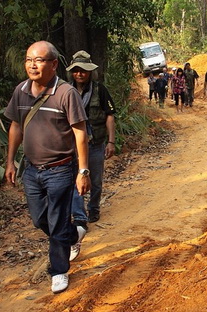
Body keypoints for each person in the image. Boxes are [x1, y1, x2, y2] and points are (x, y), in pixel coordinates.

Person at [4, 41, 90, 294]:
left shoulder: (66, 93)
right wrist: (10, 161)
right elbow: (16, 126)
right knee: (40, 219)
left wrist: (83, 171)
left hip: (61, 169)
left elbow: (80, 132)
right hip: (31, 170)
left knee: (56, 219)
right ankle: (73, 234)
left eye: (39, 60)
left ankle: (59, 270)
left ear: (53, 65)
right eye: (29, 59)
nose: (32, 64)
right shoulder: (20, 91)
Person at [66, 50, 116, 261]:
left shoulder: (100, 90)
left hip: (95, 143)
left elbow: (110, 115)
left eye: (83, 71)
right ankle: (80, 217)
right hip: (72, 146)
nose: (80, 74)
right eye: (76, 71)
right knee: (75, 180)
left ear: (90, 72)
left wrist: (111, 141)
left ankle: (93, 208)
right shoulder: (66, 92)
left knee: (94, 179)